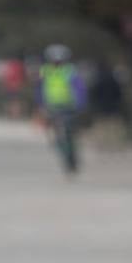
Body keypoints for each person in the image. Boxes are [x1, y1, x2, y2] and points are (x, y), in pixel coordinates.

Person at [37, 44, 86, 173]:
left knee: (69, 134)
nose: (57, 62)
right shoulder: (45, 71)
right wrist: (41, 105)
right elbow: (40, 89)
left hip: (69, 106)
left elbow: (80, 89)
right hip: (51, 107)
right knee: (55, 136)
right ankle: (66, 156)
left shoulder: (70, 71)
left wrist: (80, 105)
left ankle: (72, 158)